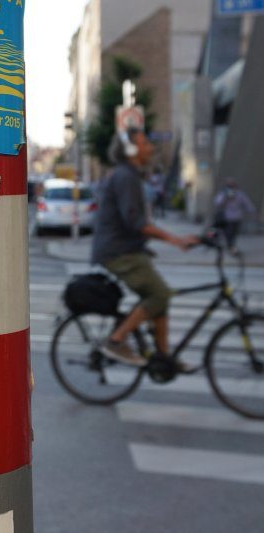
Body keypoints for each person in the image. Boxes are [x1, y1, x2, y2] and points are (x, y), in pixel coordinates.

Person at [91, 129, 198, 368]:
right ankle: (116, 341)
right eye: (145, 143)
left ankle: (162, 357)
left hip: (125, 249)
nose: (150, 148)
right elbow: (137, 223)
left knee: (160, 298)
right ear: (130, 150)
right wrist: (175, 240)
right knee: (159, 294)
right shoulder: (125, 177)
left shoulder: (130, 175)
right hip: (118, 252)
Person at [213, 178, 255, 254]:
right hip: (227, 218)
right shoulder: (223, 194)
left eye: (232, 185)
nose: (231, 187)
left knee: (234, 233)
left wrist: (252, 211)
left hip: (237, 217)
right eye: (229, 185)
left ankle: (231, 246)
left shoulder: (240, 194)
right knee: (229, 233)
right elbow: (217, 203)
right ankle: (231, 247)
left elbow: (247, 203)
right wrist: (225, 198)